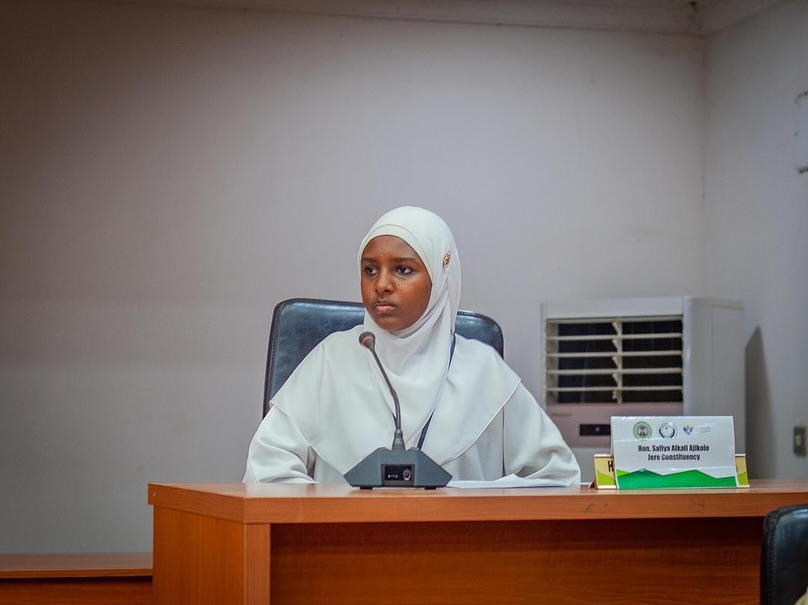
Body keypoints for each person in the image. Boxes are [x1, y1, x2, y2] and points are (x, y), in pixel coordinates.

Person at [243, 206, 580, 485]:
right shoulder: (330, 360)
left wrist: (462, 498)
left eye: (403, 269)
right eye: (370, 270)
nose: (382, 285)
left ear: (439, 278)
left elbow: (556, 477)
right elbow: (266, 473)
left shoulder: (482, 369)